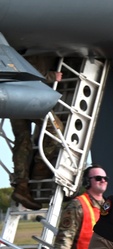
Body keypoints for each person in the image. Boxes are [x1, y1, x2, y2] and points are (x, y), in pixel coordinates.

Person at [10, 55, 63, 211]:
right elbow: (30, 73)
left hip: (13, 96)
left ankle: (22, 185)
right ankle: (39, 170)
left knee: (22, 140)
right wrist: (52, 76)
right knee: (56, 130)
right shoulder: (38, 45)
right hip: (30, 97)